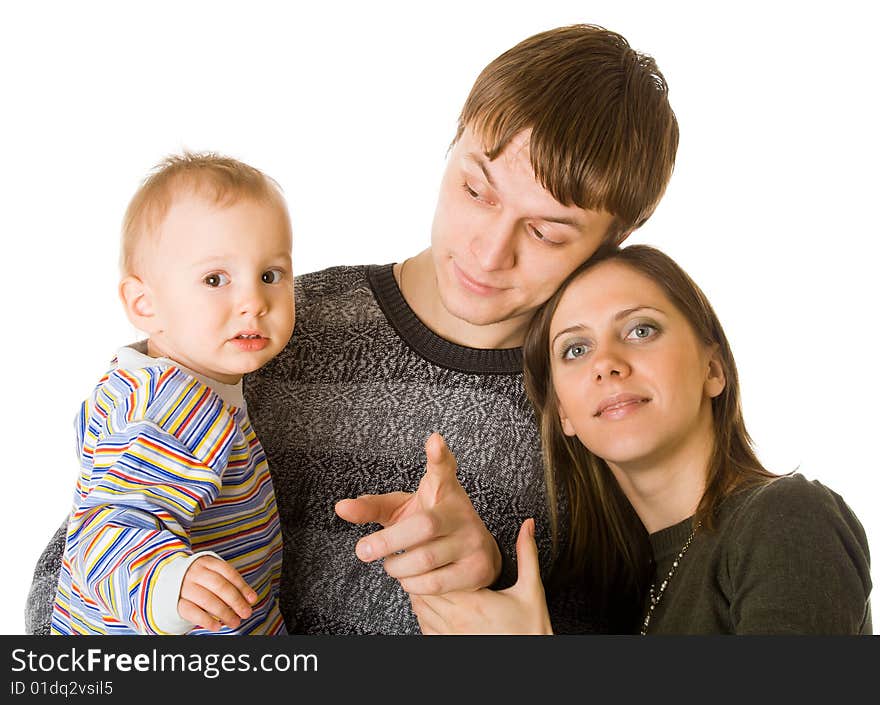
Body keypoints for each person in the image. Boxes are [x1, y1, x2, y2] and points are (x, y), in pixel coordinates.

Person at [27, 24, 679, 635]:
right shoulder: (261, 330)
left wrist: (491, 585)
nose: (488, 252)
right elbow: (68, 580)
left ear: (610, 248)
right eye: (476, 190)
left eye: (544, 231)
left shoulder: (604, 416)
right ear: (449, 147)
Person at [410, 244, 873, 634]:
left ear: (713, 370)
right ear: (564, 414)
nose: (606, 363)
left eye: (640, 329)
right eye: (575, 349)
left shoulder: (786, 516)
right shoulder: (633, 588)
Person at [50, 153, 295, 635]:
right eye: (214, 280)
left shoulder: (136, 381)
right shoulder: (176, 405)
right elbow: (104, 532)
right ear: (145, 304)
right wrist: (166, 580)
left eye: (270, 275)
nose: (254, 302)